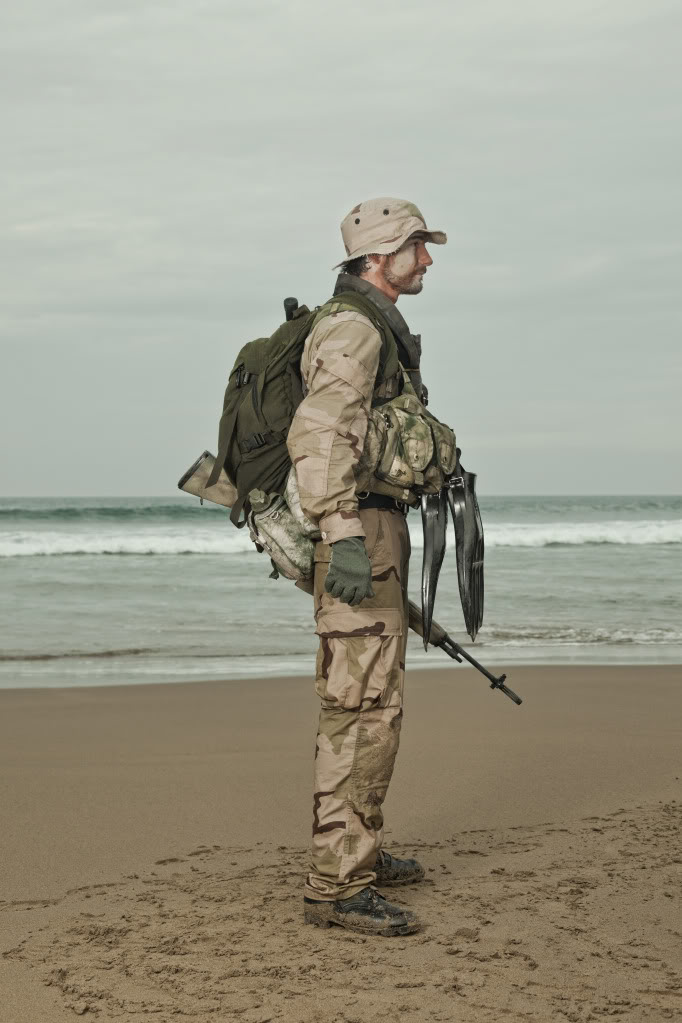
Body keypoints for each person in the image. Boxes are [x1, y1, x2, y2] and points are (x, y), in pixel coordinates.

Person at [287, 197, 449, 936]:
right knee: (356, 710)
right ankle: (337, 884)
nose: (429, 260)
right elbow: (320, 432)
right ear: (381, 256)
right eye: (419, 247)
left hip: (378, 526)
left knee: (376, 703)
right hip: (360, 528)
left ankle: (361, 848)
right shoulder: (353, 327)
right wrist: (342, 535)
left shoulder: (374, 323)